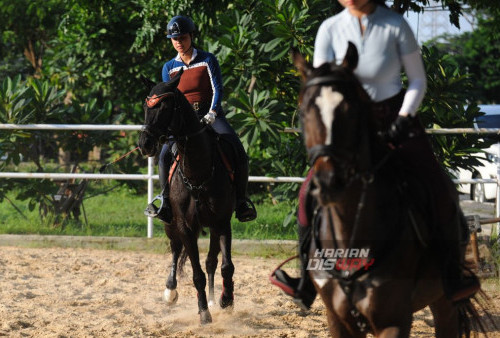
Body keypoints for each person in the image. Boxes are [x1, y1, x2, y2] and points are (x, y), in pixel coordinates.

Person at [273, 0, 479, 309]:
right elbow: (320, 83)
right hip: (347, 123)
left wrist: (405, 118)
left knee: (438, 185)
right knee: (307, 192)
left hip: (396, 116)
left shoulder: (396, 25)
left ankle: (452, 274)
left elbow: (418, 80)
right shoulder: (329, 29)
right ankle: (306, 279)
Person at [144, 15, 257, 223]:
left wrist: (212, 112)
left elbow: (217, 88)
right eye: (174, 38)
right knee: (164, 156)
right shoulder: (168, 67)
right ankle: (166, 200)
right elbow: (169, 99)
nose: (178, 42)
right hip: (183, 123)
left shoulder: (207, 59)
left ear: (191, 37)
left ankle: (241, 201)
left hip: (210, 115)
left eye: (182, 37)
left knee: (236, 147)